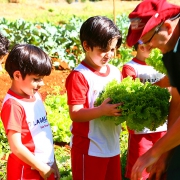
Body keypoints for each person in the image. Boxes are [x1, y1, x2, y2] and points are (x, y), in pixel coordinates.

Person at [125, 0, 180, 179]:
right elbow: (178, 102)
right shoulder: (170, 50)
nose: (149, 48)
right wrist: (165, 154)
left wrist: (154, 151)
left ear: (167, 26)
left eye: (148, 40)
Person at [65, 16, 123, 180]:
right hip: (89, 148)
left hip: (112, 145)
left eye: (112, 49)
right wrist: (102, 110)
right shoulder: (80, 76)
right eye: (103, 49)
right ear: (86, 46)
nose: (109, 54)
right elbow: (75, 113)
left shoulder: (115, 72)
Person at [1, 44, 60, 180]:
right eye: (36, 79)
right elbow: (16, 146)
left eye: (42, 79)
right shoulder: (13, 105)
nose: (41, 84)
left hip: (45, 166)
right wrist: (42, 167)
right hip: (26, 171)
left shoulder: (36, 97)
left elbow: (45, 133)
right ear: (17, 75)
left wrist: (53, 162)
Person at [121, 42, 170, 180]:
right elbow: (132, 96)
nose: (150, 46)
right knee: (139, 171)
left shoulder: (162, 64)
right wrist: (160, 85)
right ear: (138, 46)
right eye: (145, 43)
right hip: (141, 131)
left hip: (163, 127)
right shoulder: (130, 67)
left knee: (160, 170)